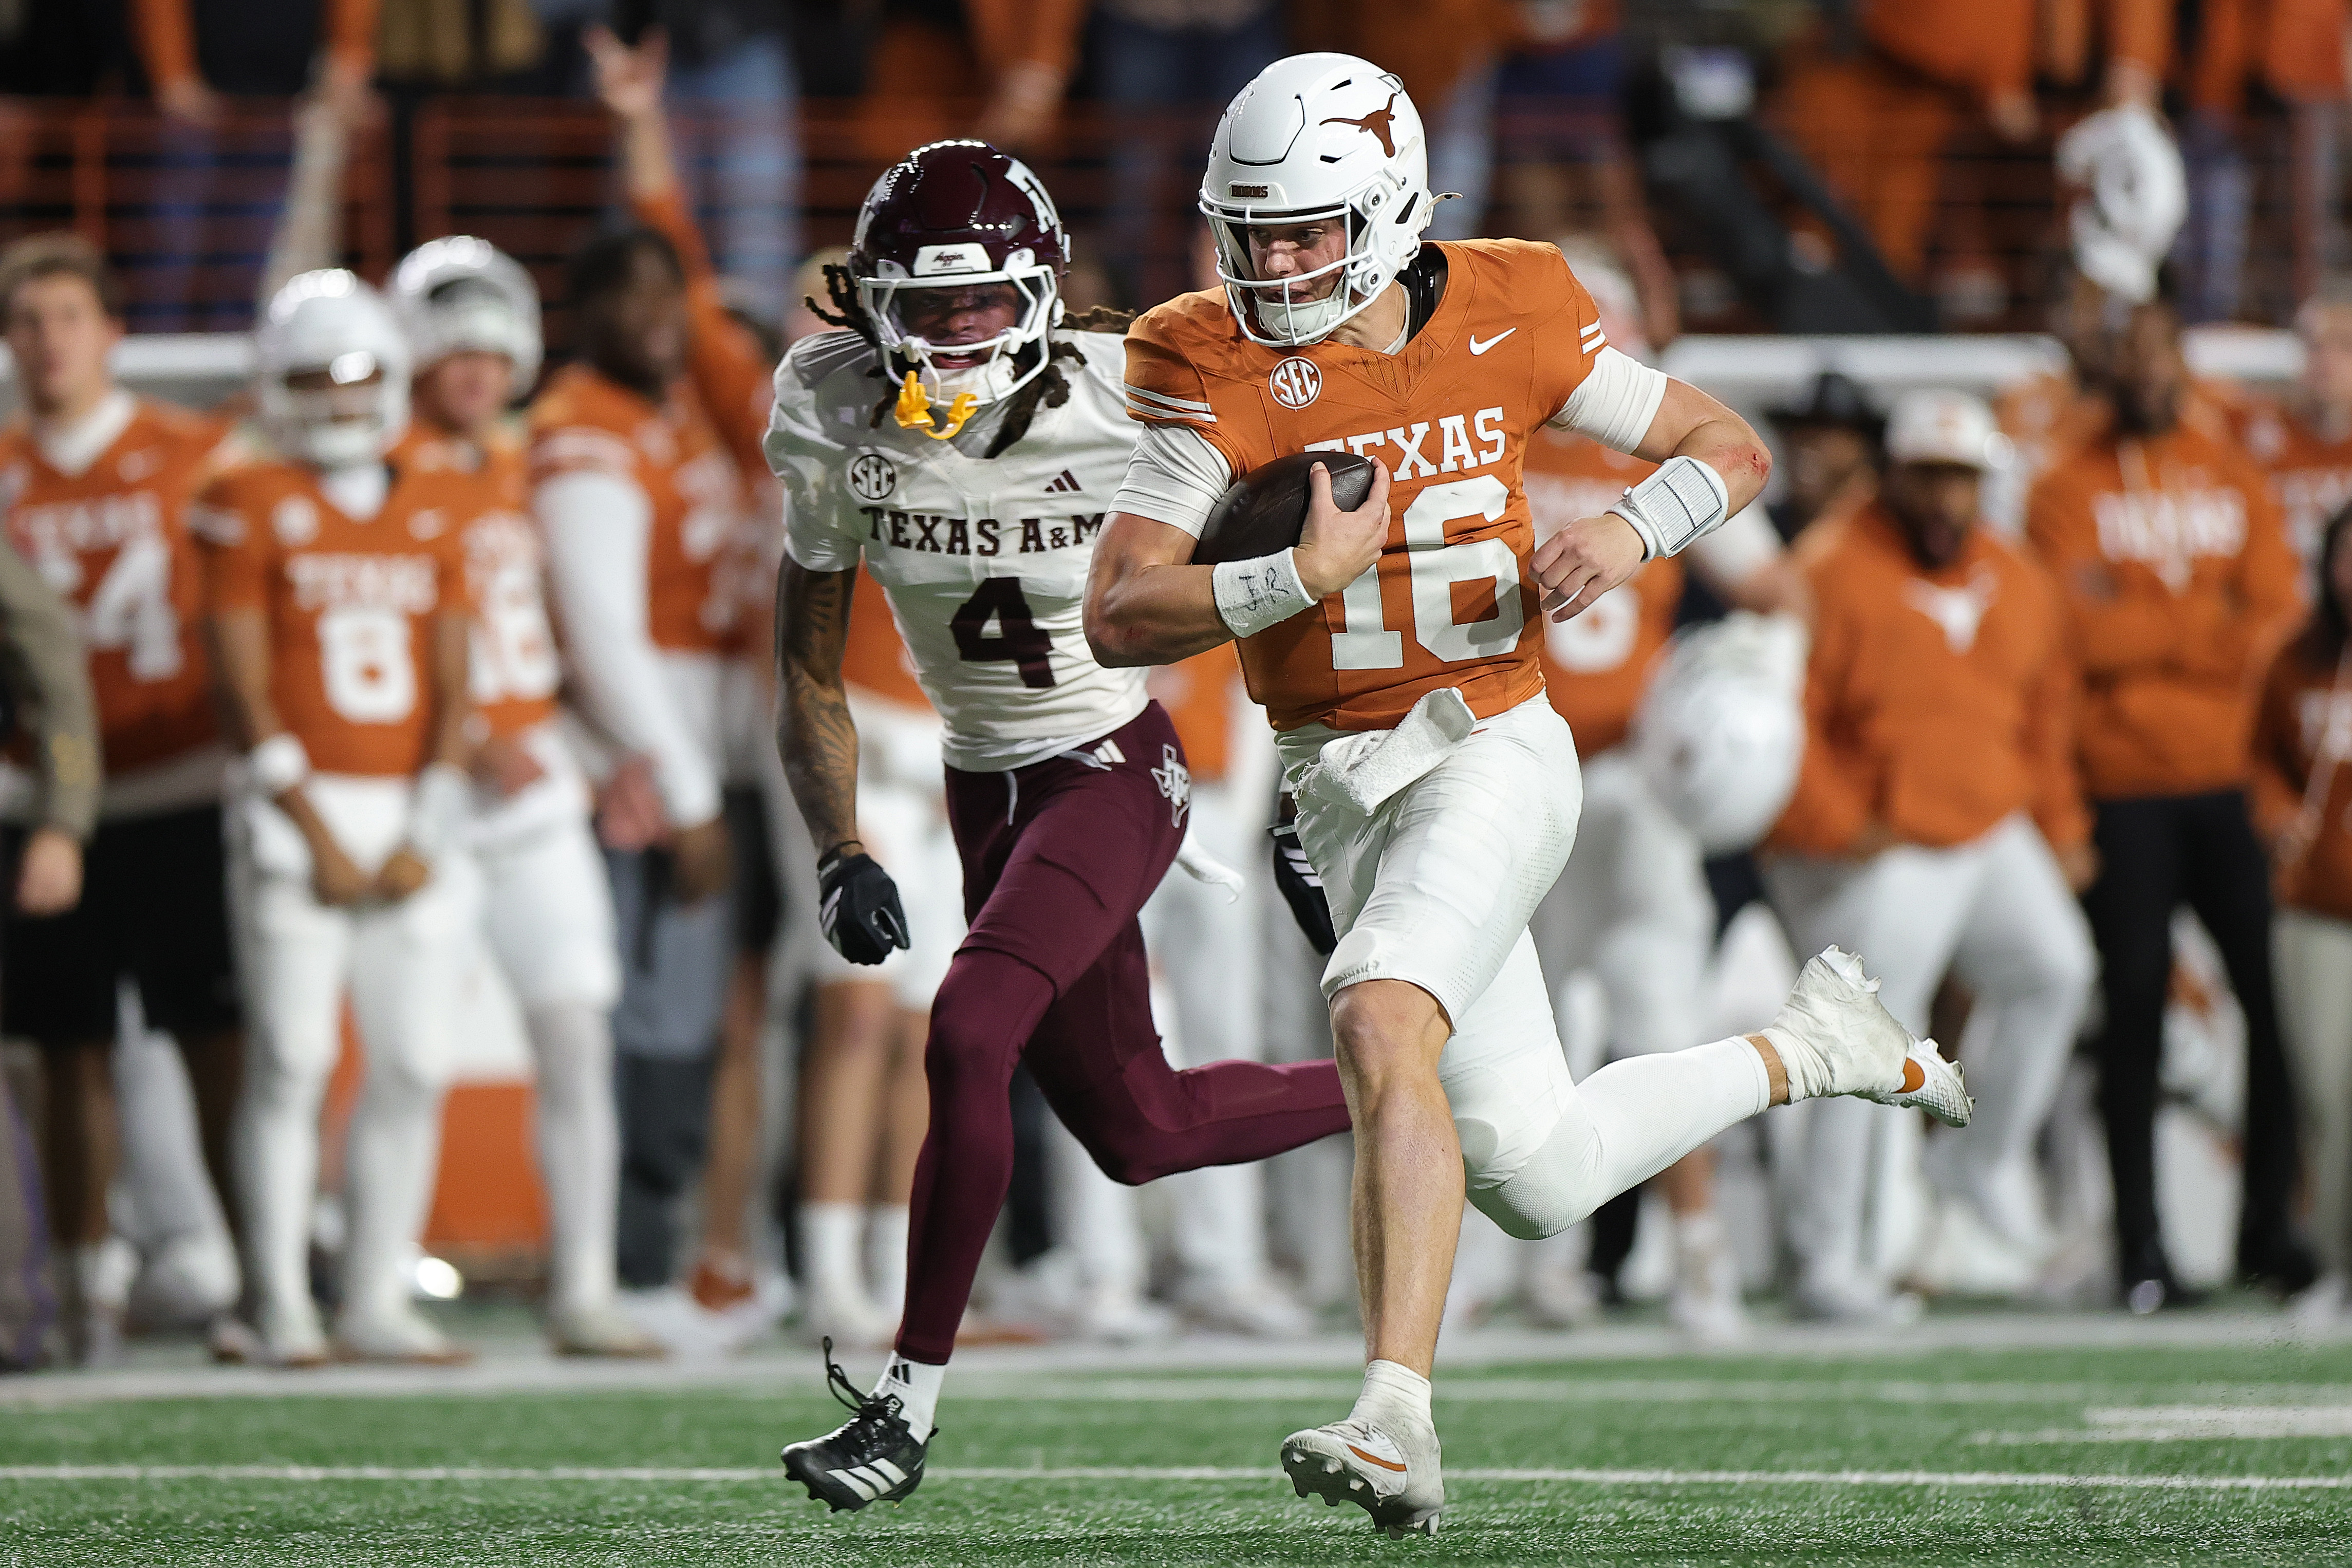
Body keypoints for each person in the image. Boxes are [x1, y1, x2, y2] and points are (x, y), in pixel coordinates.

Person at [1083, 52, 1969, 1537]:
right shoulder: (1200, 354)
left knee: (1377, 1012)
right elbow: (1120, 608)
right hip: (1335, 781)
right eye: (1251, 231)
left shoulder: (1512, 300)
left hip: (1492, 740)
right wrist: (1288, 577)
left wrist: (1630, 532)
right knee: (1537, 1172)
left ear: (1383, 211)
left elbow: (1722, 446)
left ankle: (1393, 1414)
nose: (1271, 262)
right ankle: (1815, 1051)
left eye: (1302, 230)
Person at [768, 137, 1357, 1511]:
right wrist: (840, 844)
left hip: (1110, 765)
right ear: (871, 303)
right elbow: (804, 662)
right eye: (927, 309)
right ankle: (1419, 1089)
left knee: (967, 1027)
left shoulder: (1139, 395)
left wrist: (1307, 768)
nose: (955, 335)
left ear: (1037, 295)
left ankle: (903, 1407)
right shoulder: (830, 405)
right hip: (987, 783)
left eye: (982, 307)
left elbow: (1316, 533)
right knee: (1138, 1126)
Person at [1522, 242, 1809, 1342]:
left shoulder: (1489, 429)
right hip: (1531, 771)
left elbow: (1781, 596)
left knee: (1632, 1018)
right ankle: (1676, 1267)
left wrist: (1748, 706)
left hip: (1611, 781)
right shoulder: (1512, 428)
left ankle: (1683, 1259)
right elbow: (1785, 596)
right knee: (1596, 1027)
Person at [195, 269, 478, 1365]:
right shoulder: (247, 494)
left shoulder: (438, 495)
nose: (340, 395)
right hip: (293, 800)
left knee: (411, 1058)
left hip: (413, 803)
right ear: (276, 384)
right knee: (294, 1057)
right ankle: (277, 1300)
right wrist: (309, 822)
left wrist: (428, 821)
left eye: (358, 372)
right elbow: (239, 683)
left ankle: (373, 1293)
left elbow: (458, 682)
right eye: (315, 375)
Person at [1764, 390, 2098, 1320]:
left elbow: (2044, 712)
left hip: (1987, 825)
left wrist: (2062, 826)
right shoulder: (1827, 567)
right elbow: (1783, 720)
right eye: (1929, 477)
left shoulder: (2014, 573)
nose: (1947, 500)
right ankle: (1832, 1256)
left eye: (1963, 480)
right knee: (1862, 1034)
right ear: (1894, 475)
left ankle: (1973, 1167)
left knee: (2056, 967)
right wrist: (1837, 823)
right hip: (1889, 843)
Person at [386, 236, 659, 1358]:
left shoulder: (521, 462)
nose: (475, 373)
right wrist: (469, 736)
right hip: (424, 795)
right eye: (453, 352)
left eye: (492, 354)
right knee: (405, 1054)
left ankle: (584, 1284)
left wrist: (607, 748)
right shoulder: (376, 462)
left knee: (576, 1033)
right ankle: (368, 1286)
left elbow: (546, 635)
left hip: (539, 793)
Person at [2026, 294, 2315, 1312]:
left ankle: (2270, 1229)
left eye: (2163, 352)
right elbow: (2071, 636)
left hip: (2230, 781)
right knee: (2136, 1012)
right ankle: (2142, 1243)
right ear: (2109, 365)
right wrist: (2203, 622)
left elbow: (2274, 620)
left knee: (2275, 1009)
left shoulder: (2232, 471)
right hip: (2123, 791)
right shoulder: (2063, 484)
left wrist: (2140, 617)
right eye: (2131, 353)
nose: (2149, 369)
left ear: (2183, 360)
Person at [571, 22, 790, 1339]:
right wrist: (640, 125)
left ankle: (739, 1254)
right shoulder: (690, 418)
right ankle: (670, 1259)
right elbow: (683, 273)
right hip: (704, 758)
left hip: (779, 750)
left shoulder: (750, 426)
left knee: (754, 1018)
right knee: (682, 1011)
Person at [0, 234, 234, 1363]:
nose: (49, 342)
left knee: (217, 1036)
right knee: (64, 1044)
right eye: (29, 320)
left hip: (181, 772)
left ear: (111, 330)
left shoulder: (194, 452)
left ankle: (256, 1270)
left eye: (67, 317)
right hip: (46, 799)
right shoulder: (0, 467)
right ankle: (77, 1287)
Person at [2253, 507, 2352, 1312]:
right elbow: (2255, 760)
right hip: (2319, 905)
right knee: (2324, 1089)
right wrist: (2277, 811)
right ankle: (2332, 1261)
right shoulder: (2294, 659)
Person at [2237, 279, 2352, 587]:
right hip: (2279, 604)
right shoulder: (2253, 432)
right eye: (2315, 345)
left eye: (2344, 345)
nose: (2326, 360)